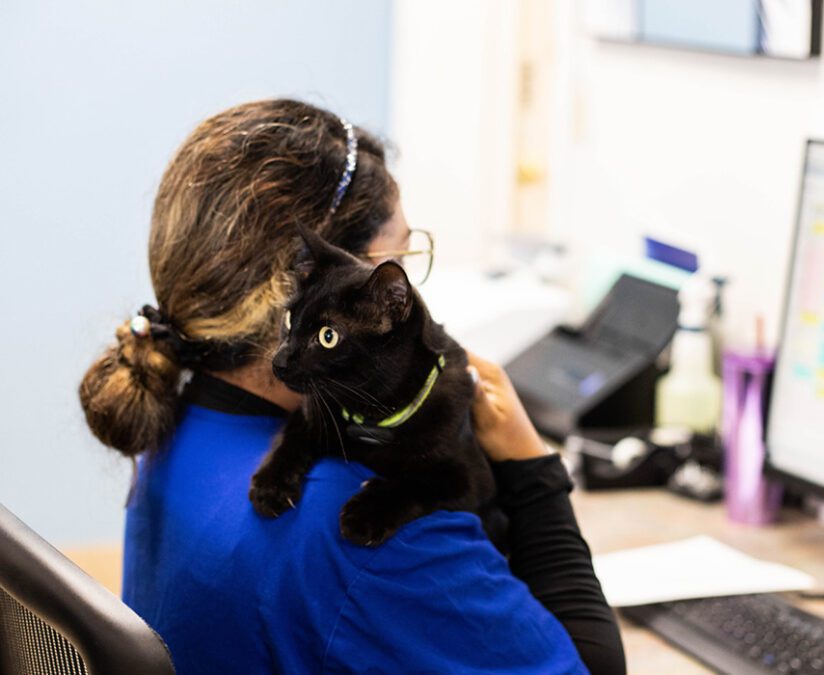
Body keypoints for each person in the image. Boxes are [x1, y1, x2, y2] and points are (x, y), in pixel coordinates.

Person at [79, 99, 625, 674]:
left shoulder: (167, 428)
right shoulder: (365, 528)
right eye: (402, 256)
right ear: (335, 279)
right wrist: (531, 469)